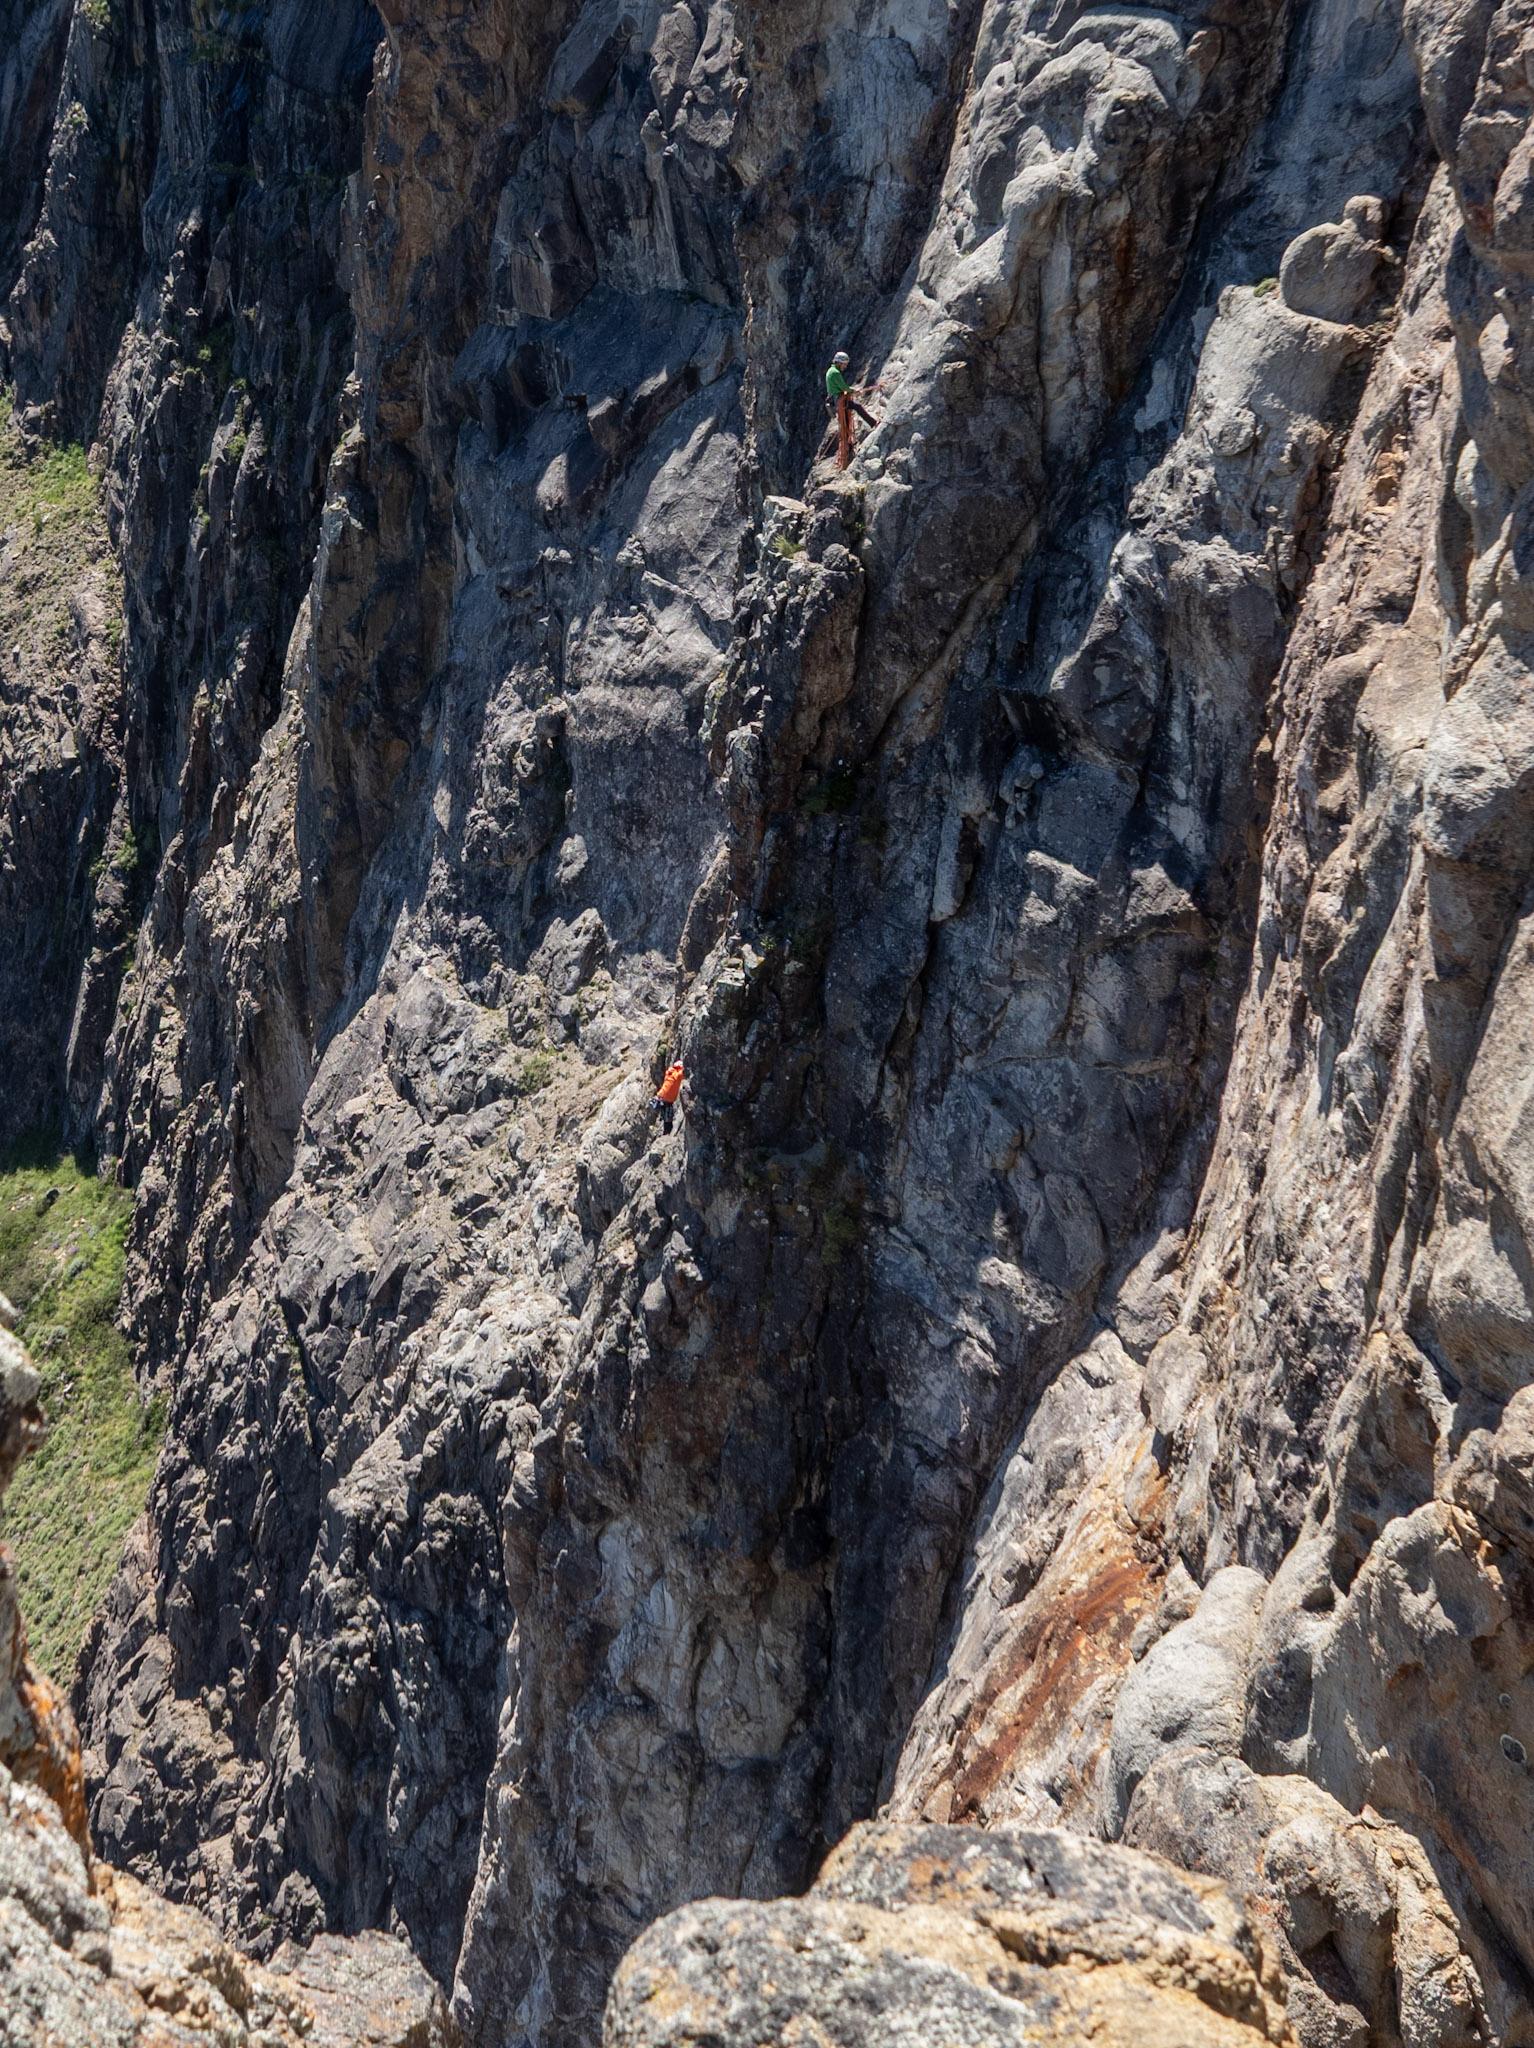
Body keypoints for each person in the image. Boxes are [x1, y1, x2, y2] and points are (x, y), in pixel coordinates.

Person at [826, 351, 877, 467]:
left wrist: (850, 390)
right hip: (839, 400)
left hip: (836, 400)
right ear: (839, 363)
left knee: (846, 424)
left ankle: (848, 449)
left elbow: (841, 387)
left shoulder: (831, 371)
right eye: (844, 364)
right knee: (857, 407)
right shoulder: (835, 373)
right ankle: (873, 423)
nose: (845, 366)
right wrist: (854, 390)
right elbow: (843, 387)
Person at [654, 1060, 685, 1133]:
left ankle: (666, 1130)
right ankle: (667, 1131)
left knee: (665, 1115)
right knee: (668, 1117)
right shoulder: (677, 1075)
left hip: (662, 1095)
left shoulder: (669, 1073)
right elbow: (683, 1073)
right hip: (668, 1099)